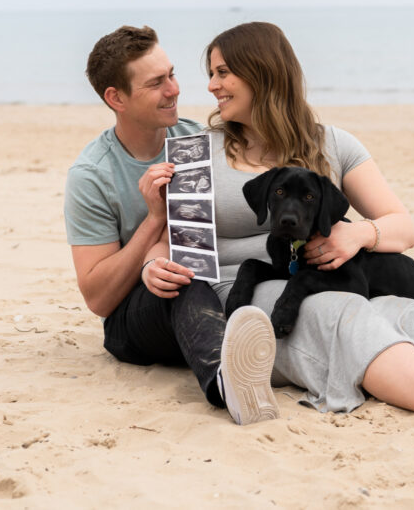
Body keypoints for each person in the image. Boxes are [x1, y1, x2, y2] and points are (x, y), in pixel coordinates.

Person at [140, 22, 414, 433]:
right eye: (212, 73)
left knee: (393, 307)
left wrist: (358, 234)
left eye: (222, 72)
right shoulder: (196, 153)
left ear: (262, 73)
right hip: (239, 291)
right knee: (342, 311)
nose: (212, 85)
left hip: (318, 280)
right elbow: (174, 241)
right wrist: (151, 264)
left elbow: (402, 226)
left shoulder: (332, 144)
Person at [64, 25, 279, 425]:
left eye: (173, 74)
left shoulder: (197, 140)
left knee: (208, 275)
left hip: (212, 296)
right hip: (136, 320)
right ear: (116, 98)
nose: (174, 89)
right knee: (185, 278)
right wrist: (154, 220)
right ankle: (223, 385)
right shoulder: (92, 174)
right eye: (156, 83)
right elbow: (97, 298)